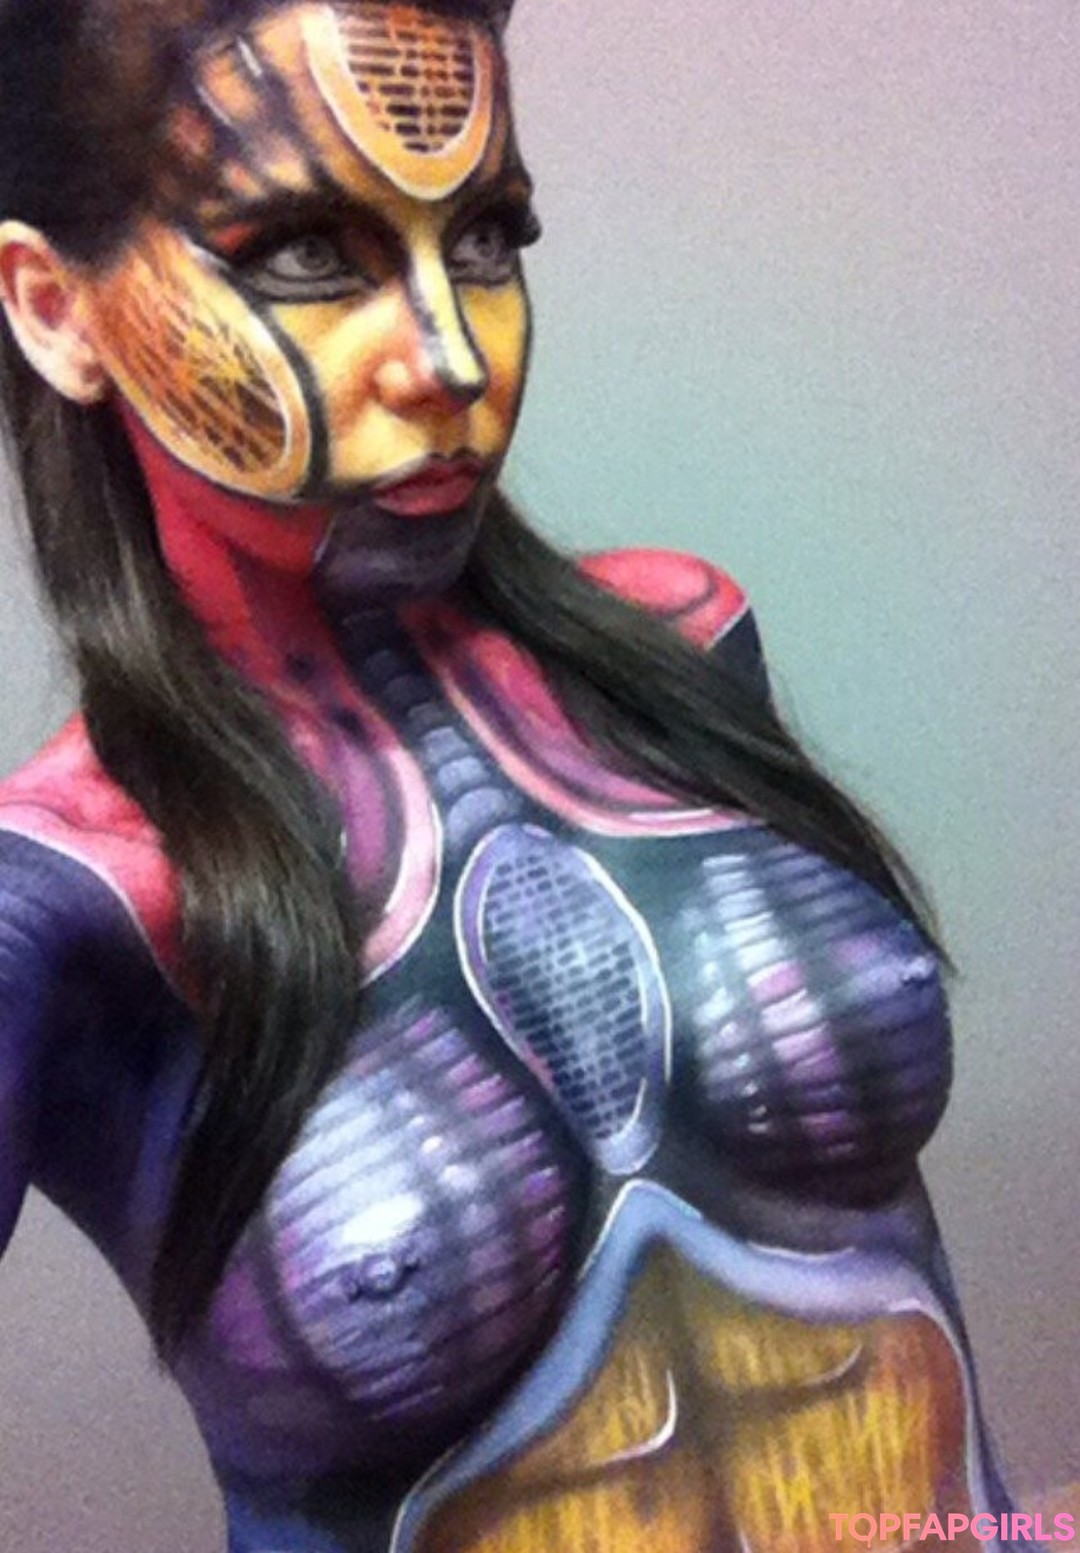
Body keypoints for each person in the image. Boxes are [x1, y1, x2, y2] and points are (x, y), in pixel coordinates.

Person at [0, 1, 1034, 1549]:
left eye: (484, 238)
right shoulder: (70, 896)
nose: (451, 353)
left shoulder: (684, 646)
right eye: (310, 255)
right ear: (57, 310)